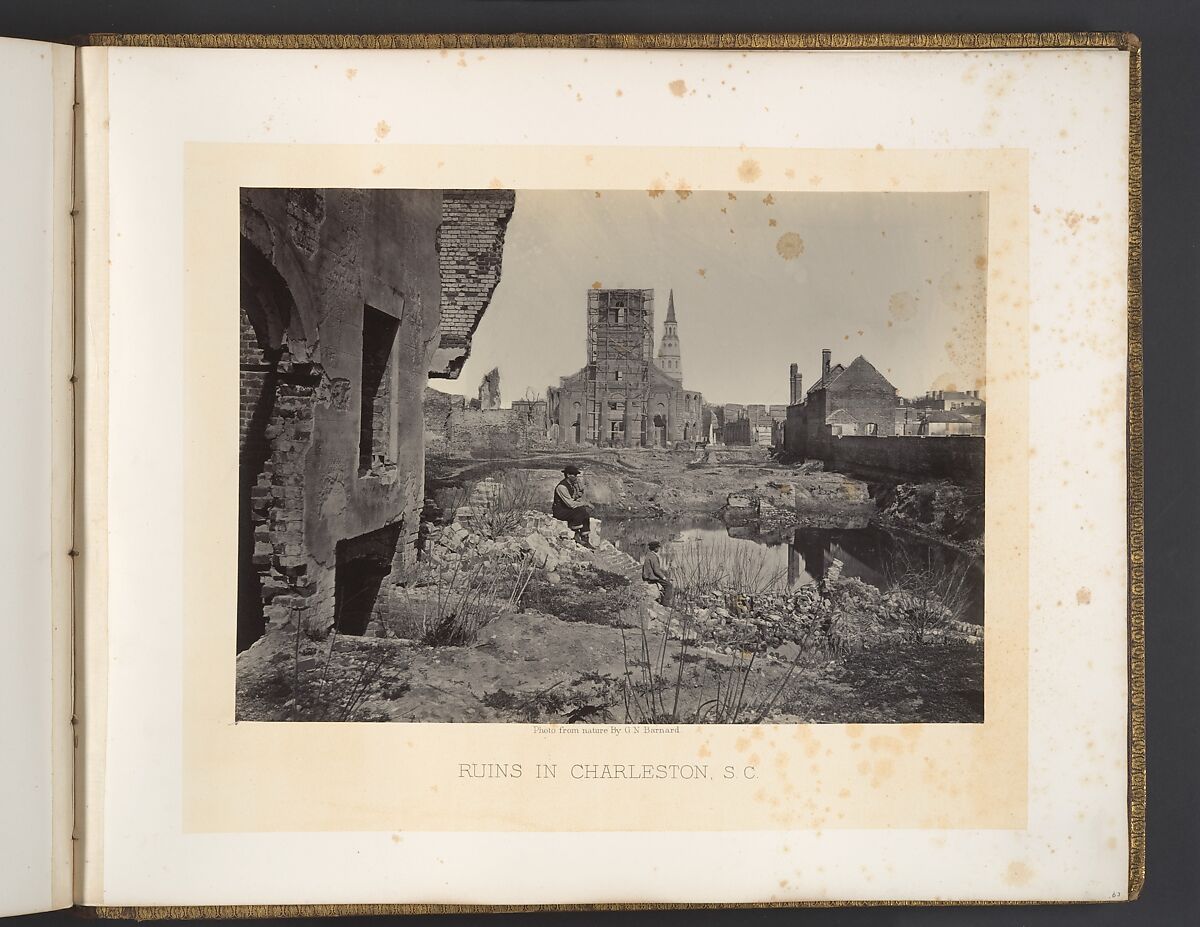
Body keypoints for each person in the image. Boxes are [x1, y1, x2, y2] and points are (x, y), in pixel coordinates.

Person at [552, 464, 594, 549]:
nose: (576, 477)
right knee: (580, 511)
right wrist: (585, 503)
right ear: (568, 475)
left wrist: (579, 492)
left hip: (566, 509)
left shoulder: (571, 485)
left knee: (585, 512)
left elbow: (574, 498)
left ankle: (585, 539)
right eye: (574, 475)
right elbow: (570, 504)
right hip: (560, 511)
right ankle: (575, 534)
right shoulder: (562, 487)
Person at [642, 541, 674, 605]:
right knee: (669, 585)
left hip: (649, 575)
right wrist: (664, 577)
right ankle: (665, 603)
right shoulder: (653, 556)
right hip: (652, 576)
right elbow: (656, 570)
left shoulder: (649, 554)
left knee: (666, 584)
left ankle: (663, 599)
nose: (658, 549)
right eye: (658, 548)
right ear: (655, 548)